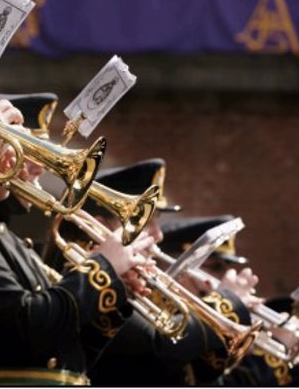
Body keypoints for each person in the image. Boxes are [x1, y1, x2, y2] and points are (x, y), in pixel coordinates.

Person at [0, 110, 155, 385]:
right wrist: (101, 271)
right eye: (21, 148)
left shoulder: (12, 241)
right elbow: (24, 328)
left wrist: (113, 288)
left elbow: (68, 354)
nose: (40, 167)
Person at [46, 161, 257, 386]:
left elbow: (188, 376)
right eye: (144, 220)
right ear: (100, 228)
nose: (158, 235)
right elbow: (155, 352)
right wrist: (228, 302)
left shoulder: (123, 283)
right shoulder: (79, 280)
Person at [161, 215, 299, 386]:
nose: (226, 276)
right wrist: (277, 347)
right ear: (183, 265)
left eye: (227, 267)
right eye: (216, 267)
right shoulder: (162, 316)